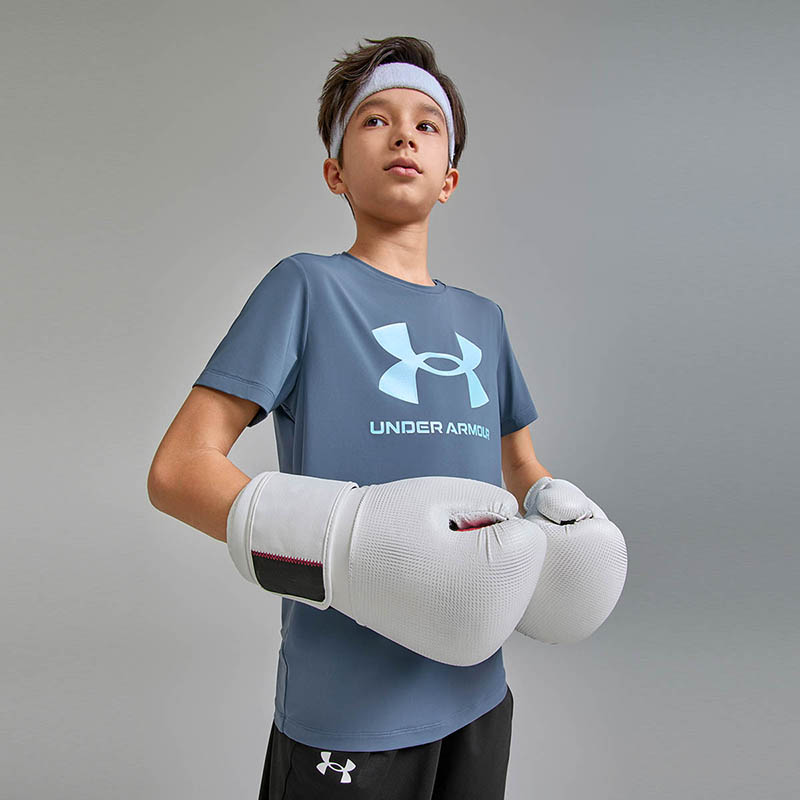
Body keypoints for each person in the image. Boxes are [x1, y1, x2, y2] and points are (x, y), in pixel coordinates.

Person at [147, 35, 626, 799]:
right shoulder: (306, 289)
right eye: (375, 120)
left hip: (478, 692)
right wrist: (349, 542)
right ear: (335, 172)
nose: (404, 134)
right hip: (347, 708)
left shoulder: (485, 321)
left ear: (450, 179)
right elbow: (178, 471)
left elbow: (519, 464)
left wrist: (558, 513)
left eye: (427, 124)